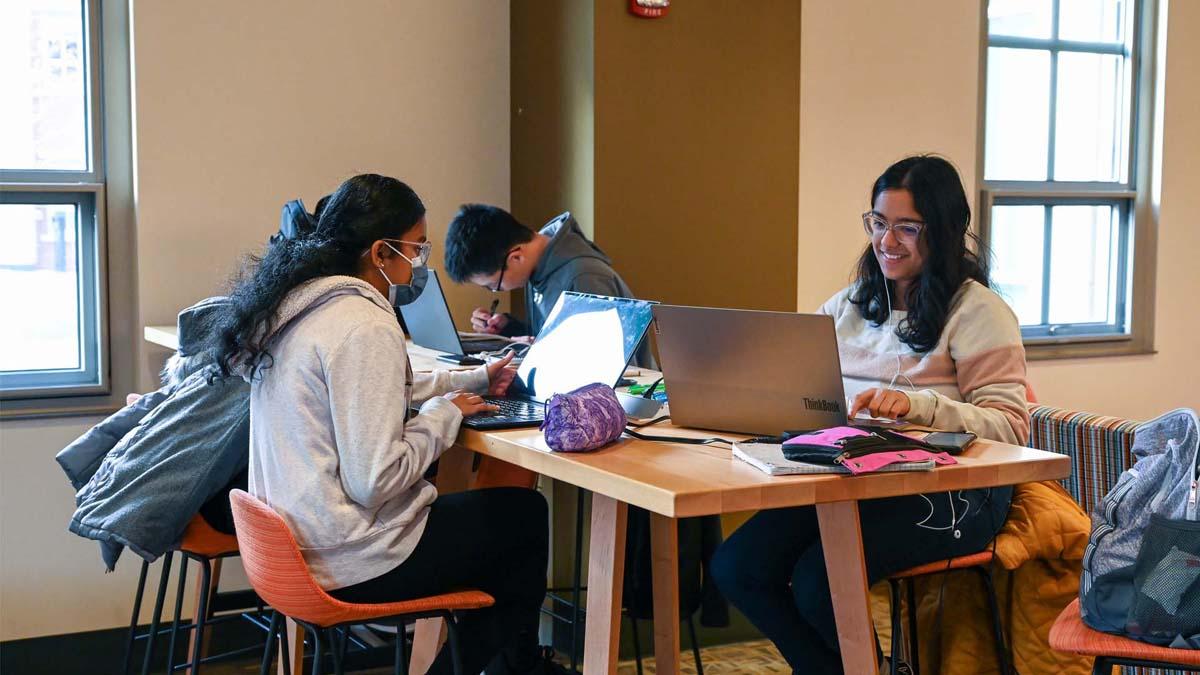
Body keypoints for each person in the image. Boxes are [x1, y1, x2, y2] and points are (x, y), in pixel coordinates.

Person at [211, 174, 560, 675]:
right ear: (380, 252)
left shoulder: (299, 306)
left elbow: (363, 392)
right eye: (417, 248)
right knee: (523, 517)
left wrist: (474, 380)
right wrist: (445, 415)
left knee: (502, 521)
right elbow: (375, 480)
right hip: (352, 558)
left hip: (293, 546)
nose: (421, 263)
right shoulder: (363, 325)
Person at [710, 155, 1030, 674]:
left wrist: (918, 405)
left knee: (819, 580)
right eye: (879, 223)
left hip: (954, 493)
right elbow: (795, 382)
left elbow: (1011, 427)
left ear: (945, 231)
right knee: (737, 567)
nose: (887, 241)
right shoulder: (849, 305)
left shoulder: (979, 312)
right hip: (850, 479)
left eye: (907, 227)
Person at [443, 205, 636, 339]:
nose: (497, 290)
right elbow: (554, 334)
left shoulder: (585, 277)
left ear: (516, 258)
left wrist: (535, 350)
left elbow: (604, 361)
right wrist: (508, 328)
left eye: (494, 285)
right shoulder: (536, 267)